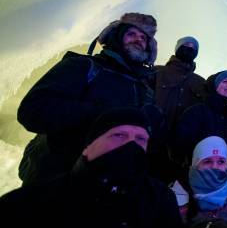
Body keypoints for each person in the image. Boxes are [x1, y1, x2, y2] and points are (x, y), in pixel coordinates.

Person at [0, 108, 184, 228]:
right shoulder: (30, 202)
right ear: (88, 147)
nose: (131, 145)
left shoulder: (160, 200)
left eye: (140, 139)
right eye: (119, 135)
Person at [17, 13, 161, 185]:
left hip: (112, 189)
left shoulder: (145, 88)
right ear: (117, 36)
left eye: (143, 38)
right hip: (57, 182)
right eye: (131, 34)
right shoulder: (84, 67)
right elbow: (32, 110)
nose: (138, 40)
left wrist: (154, 125)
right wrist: (100, 112)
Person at [174, 70, 227, 174]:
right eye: (225, 81)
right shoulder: (197, 111)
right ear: (214, 86)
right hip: (199, 174)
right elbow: (179, 146)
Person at [154, 36, 206, 131]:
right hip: (152, 135)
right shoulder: (156, 71)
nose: (189, 48)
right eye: (186, 45)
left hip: (183, 141)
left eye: (193, 47)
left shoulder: (201, 82)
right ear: (177, 48)